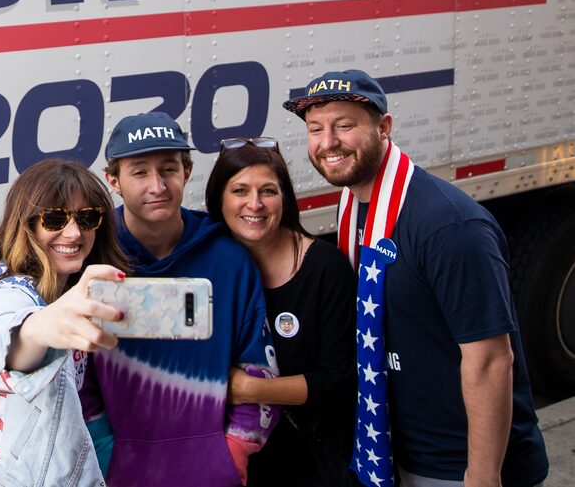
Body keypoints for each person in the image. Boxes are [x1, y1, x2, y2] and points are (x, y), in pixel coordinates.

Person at [284, 70, 549, 487]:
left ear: (384, 127)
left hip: (457, 467)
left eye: (345, 125)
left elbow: (491, 360)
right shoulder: (353, 208)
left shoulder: (449, 226)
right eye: (316, 129)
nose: (327, 142)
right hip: (389, 453)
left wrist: (481, 477)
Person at [79, 112, 278, 487]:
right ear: (113, 181)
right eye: (139, 172)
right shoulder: (94, 261)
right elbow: (77, 375)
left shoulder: (229, 259)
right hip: (119, 471)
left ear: (186, 171)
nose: (157, 186)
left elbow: (257, 362)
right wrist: (106, 452)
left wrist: (235, 449)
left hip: (211, 471)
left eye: (168, 169)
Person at [0, 158, 131, 487]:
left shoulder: (65, 291)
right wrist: (40, 328)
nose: (73, 232)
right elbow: (9, 344)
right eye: (55, 218)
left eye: (87, 218)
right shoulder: (6, 293)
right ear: (26, 224)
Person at [204, 137, 357, 487]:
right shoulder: (207, 266)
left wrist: (248, 390)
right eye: (240, 190)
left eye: (268, 191)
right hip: (228, 462)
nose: (254, 204)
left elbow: (339, 382)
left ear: (284, 198)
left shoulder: (324, 268)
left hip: (308, 461)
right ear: (219, 199)